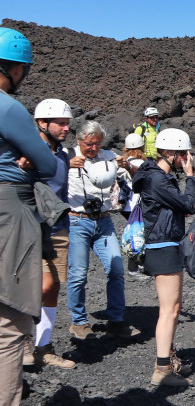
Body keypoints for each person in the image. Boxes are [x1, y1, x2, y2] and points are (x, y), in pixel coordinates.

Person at [0, 28, 63, 406]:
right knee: (10, 320)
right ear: (12, 67)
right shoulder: (7, 107)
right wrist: (29, 159)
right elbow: (46, 163)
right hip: (9, 208)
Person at [132, 128, 195, 386]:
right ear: (171, 153)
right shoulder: (159, 180)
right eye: (183, 154)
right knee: (169, 309)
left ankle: (168, 358)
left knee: (173, 307)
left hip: (165, 243)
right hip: (163, 244)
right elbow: (189, 205)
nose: (186, 159)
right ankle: (162, 369)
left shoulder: (157, 177)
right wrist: (191, 177)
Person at [65, 121, 132, 340]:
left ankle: (116, 320)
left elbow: (131, 174)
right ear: (78, 140)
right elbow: (46, 174)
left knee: (116, 270)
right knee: (78, 274)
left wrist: (127, 164)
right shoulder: (66, 156)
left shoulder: (108, 156)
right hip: (77, 221)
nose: (93, 148)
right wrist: (65, 165)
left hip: (103, 221)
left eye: (97, 144)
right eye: (89, 144)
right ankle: (79, 322)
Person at [26, 99, 77, 369]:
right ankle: (22, 339)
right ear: (42, 123)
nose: (66, 128)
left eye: (68, 123)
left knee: (54, 287)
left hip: (59, 228)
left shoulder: (62, 155)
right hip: (32, 229)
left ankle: (42, 346)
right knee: (39, 286)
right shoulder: (28, 152)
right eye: (61, 123)